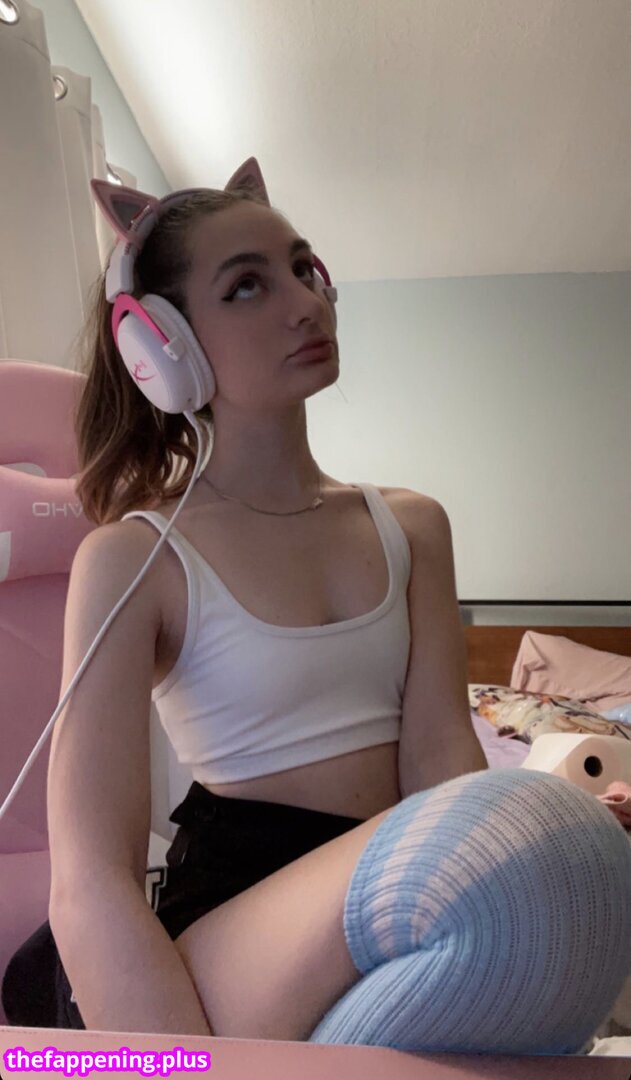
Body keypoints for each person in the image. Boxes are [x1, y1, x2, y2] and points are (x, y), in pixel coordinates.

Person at [3, 159, 630, 1052]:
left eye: (304, 269)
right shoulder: (138, 556)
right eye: (246, 286)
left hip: (401, 883)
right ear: (163, 345)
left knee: (582, 876)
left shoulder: (411, 525)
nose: (305, 303)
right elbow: (91, 879)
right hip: (239, 917)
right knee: (556, 835)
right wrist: (169, 1066)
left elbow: (442, 761)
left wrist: (509, 858)